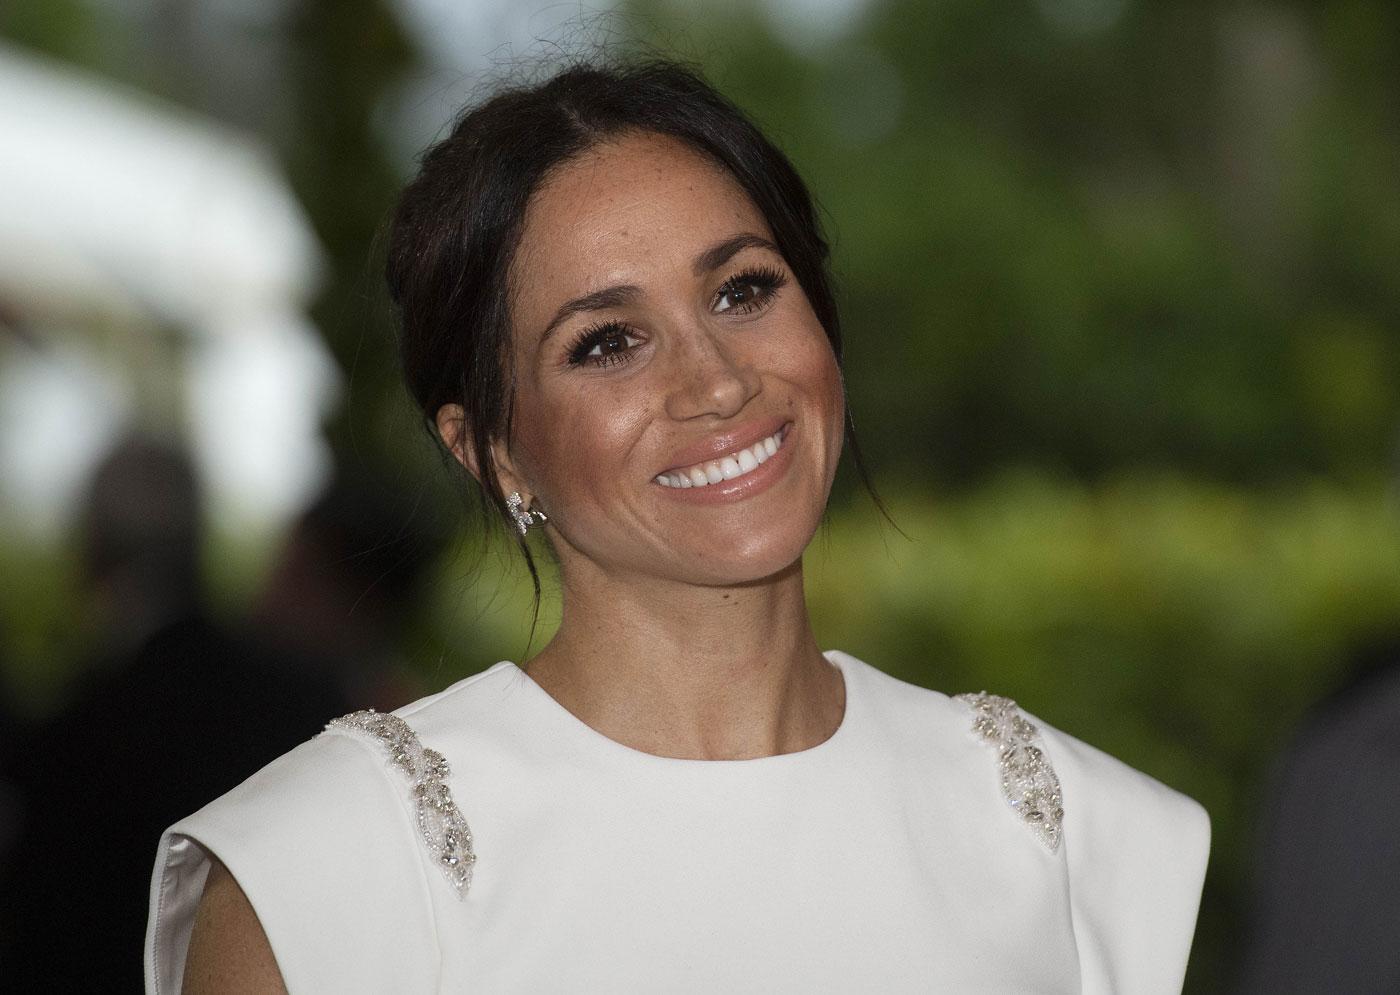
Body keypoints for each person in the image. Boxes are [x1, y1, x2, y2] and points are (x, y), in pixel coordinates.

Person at [145, 58, 1209, 993]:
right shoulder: (323, 874)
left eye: (744, 289)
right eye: (608, 341)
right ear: (488, 449)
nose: (714, 379)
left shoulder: (1065, 829)